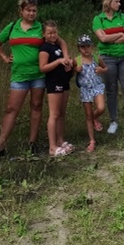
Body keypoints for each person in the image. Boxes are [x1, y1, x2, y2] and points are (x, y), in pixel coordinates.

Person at [0, 0, 66, 160]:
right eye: (28, 10)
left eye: (34, 10)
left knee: (36, 106)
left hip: (39, 74)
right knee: (11, 109)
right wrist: (4, 57)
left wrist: (67, 57)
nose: (31, 13)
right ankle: (0, 145)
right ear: (21, 11)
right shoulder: (13, 26)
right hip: (19, 75)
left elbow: (60, 41)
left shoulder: (41, 28)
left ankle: (32, 143)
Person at [93, 0, 124, 136]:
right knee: (111, 90)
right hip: (107, 58)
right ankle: (113, 121)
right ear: (108, 2)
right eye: (116, 1)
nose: (119, 4)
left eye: (119, 1)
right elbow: (102, 39)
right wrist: (120, 34)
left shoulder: (123, 17)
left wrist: (112, 37)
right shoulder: (98, 19)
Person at [37, 20, 75, 157]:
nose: (53, 35)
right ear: (44, 34)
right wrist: (58, 61)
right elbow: (43, 68)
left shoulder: (57, 45)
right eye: (49, 33)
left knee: (61, 113)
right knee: (54, 114)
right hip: (54, 83)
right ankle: (52, 147)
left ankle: (60, 140)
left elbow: (63, 43)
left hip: (64, 80)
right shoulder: (45, 48)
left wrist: (67, 61)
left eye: (55, 32)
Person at [76, 35, 108, 152]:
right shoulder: (77, 60)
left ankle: (95, 118)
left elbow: (106, 68)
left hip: (97, 86)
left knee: (101, 107)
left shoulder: (96, 57)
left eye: (88, 46)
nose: (85, 49)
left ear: (92, 47)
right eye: (82, 47)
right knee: (88, 115)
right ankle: (92, 140)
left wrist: (101, 70)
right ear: (79, 48)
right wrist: (75, 70)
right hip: (85, 89)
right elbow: (69, 72)